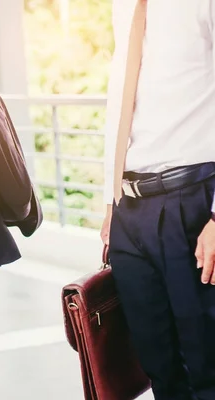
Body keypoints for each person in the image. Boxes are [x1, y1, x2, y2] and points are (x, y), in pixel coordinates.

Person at [102, 0, 215, 398]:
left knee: (206, 368)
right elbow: (121, 98)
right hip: (128, 209)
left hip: (194, 201)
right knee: (158, 370)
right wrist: (108, 200)